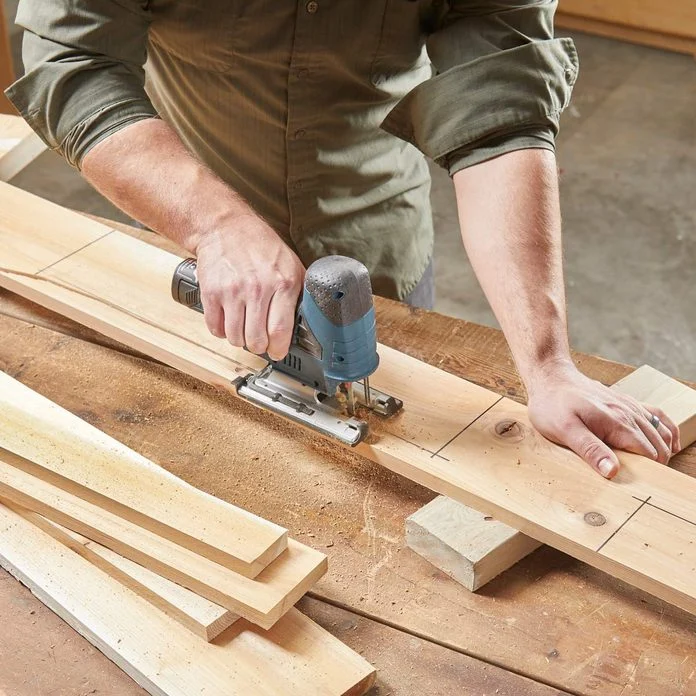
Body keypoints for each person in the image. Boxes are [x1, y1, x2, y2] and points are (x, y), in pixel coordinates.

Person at [6, 0, 679, 477]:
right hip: (184, 200)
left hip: (376, 221)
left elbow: (500, 106)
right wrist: (213, 225)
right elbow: (71, 61)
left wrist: (548, 364)